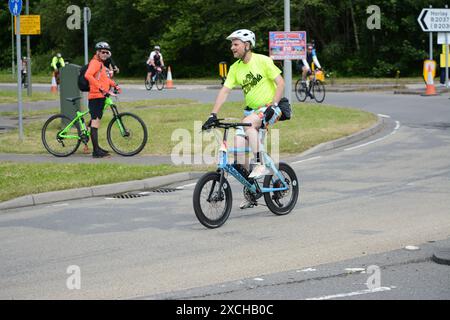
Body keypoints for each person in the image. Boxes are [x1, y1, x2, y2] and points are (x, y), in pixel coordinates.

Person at [202, 29, 286, 209]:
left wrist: (273, 105)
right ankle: (252, 189)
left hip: (270, 108)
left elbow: (281, 83)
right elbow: (225, 91)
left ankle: (261, 165)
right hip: (251, 112)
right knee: (239, 153)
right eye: (232, 44)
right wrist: (212, 115)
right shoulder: (235, 68)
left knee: (249, 126)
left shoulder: (262, 61)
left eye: (235, 44)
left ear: (247, 45)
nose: (232, 47)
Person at [85, 41, 122, 158]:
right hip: (95, 96)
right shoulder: (95, 63)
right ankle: (96, 151)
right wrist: (99, 86)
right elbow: (88, 75)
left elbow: (106, 79)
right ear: (98, 52)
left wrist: (115, 85)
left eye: (107, 52)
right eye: (103, 52)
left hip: (101, 96)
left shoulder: (101, 64)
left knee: (95, 122)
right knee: (95, 123)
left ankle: (97, 147)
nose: (105, 54)